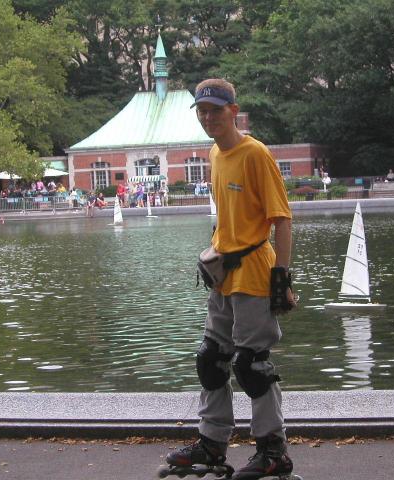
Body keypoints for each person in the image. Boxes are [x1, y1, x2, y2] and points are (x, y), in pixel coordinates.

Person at [164, 79, 297, 480]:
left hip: (256, 274)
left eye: (216, 111)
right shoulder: (215, 154)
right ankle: (211, 442)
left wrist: (282, 280)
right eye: (202, 111)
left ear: (233, 111)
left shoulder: (255, 154)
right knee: (210, 359)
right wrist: (213, 255)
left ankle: (273, 450)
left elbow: (283, 220)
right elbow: (229, 218)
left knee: (250, 364)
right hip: (223, 275)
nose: (209, 118)